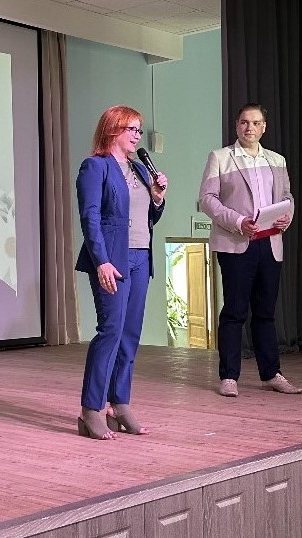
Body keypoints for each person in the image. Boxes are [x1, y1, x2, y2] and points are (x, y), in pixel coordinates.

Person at [197, 103, 302, 398]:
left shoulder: (277, 160)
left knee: (266, 312)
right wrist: (238, 222)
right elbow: (207, 199)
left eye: (256, 123)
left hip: (270, 243)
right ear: (237, 125)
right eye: (244, 122)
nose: (250, 128)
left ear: (264, 127)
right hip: (236, 243)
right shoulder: (220, 158)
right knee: (234, 311)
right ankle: (229, 376)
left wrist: (287, 216)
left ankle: (271, 374)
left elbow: (287, 197)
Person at [75, 106, 168, 440]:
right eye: (132, 129)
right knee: (111, 331)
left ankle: (120, 404)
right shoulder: (95, 166)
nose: (137, 136)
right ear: (113, 129)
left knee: (130, 334)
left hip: (141, 256)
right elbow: (90, 217)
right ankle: (91, 409)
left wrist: (157, 199)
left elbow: (148, 218)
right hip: (112, 258)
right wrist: (101, 260)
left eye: (139, 130)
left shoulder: (141, 170)